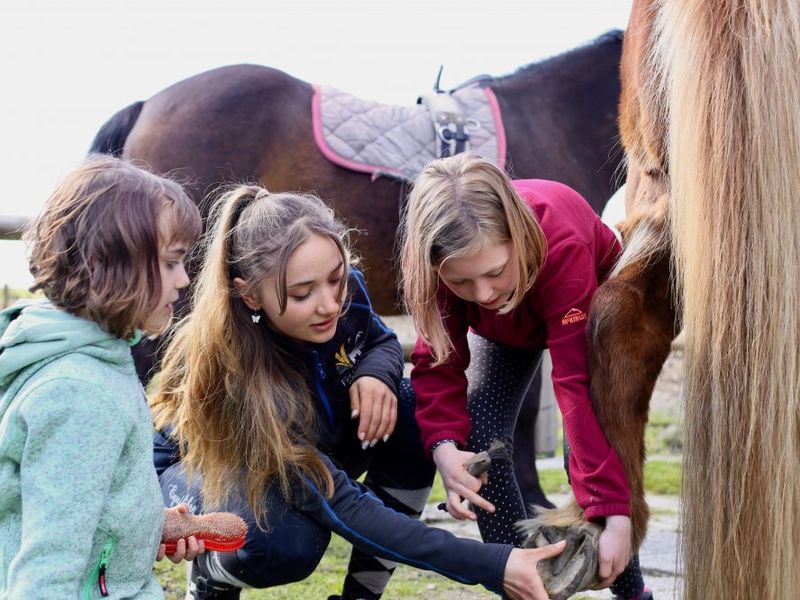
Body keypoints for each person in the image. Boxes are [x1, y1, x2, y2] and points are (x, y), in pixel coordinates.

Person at [149, 184, 566, 600]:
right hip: (198, 470)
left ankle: (360, 597)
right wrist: (493, 564)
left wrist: (374, 374)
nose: (330, 304)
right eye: (302, 294)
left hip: (312, 443)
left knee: (410, 405)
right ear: (250, 295)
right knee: (285, 543)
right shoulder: (242, 375)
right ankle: (213, 576)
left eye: (337, 280)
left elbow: (380, 341)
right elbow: (343, 507)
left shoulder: (346, 298)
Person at [400, 153, 652, 600]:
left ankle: (633, 592)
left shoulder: (561, 240)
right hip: (505, 333)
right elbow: (437, 359)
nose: (483, 294)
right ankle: (520, 585)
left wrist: (614, 514)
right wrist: (443, 450)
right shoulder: (441, 264)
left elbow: (576, 384)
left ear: (516, 236)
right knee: (481, 431)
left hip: (587, 307)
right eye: (462, 283)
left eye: (495, 271)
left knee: (599, 432)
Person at [0, 155, 205, 598]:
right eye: (171, 262)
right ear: (108, 262)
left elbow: (82, 498)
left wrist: (145, 524)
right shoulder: (80, 393)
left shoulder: (89, 355)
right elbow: (48, 563)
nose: (185, 279)